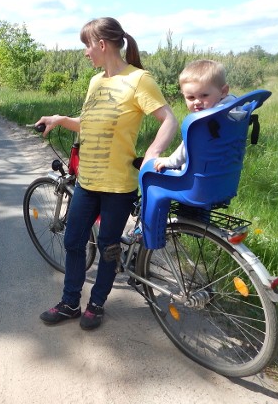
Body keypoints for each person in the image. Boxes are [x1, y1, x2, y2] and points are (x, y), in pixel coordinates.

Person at [35, 17, 178, 330]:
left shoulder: (139, 79)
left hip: (118, 185)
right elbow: (88, 122)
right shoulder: (96, 81)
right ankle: (70, 303)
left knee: (108, 247)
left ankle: (96, 304)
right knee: (73, 241)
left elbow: (169, 119)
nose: (86, 52)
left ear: (102, 44)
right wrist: (59, 119)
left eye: (87, 45)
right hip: (88, 180)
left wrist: (153, 152)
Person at [153, 59, 243, 172]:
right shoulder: (234, 108)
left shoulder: (208, 119)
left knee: (152, 171)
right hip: (226, 173)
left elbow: (188, 145)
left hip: (197, 178)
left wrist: (170, 161)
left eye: (204, 95)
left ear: (223, 91)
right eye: (191, 97)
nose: (196, 102)